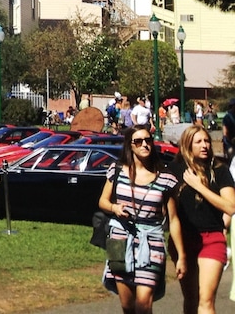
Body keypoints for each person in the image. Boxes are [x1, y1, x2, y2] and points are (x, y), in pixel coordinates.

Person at [97, 126, 185, 313]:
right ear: (130, 146)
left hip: (151, 242)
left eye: (148, 140)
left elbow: (174, 219)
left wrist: (181, 256)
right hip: (119, 241)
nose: (144, 144)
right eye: (138, 141)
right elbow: (103, 202)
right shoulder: (117, 170)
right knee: (127, 305)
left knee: (144, 304)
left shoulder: (165, 178)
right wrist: (115, 207)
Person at [169, 125, 234, 314]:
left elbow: (230, 206)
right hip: (184, 240)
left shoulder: (219, 170)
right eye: (198, 142)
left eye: (206, 141)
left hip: (212, 238)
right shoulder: (174, 170)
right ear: (187, 145)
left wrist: (199, 186)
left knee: (206, 300)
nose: (204, 145)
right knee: (191, 298)